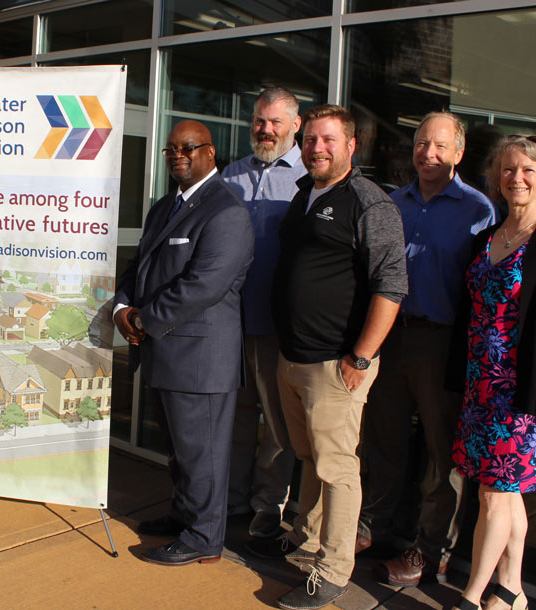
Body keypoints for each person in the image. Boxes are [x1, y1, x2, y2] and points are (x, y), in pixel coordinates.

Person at [249, 104, 407, 610]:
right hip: (293, 357)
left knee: (338, 468)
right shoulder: (304, 193)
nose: (316, 148)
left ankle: (334, 570)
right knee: (308, 456)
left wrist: (360, 358)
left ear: (351, 145)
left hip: (336, 363)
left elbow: (391, 286)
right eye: (311, 139)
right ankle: (309, 538)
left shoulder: (369, 202)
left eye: (327, 140)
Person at [360, 112, 498, 586]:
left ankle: (429, 551)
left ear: (459, 153)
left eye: (440, 146)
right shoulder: (393, 204)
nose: (429, 154)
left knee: (444, 455)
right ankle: (374, 528)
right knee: (383, 440)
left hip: (443, 344)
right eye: (421, 144)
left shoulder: (479, 211)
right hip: (391, 337)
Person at [115, 120, 254, 566]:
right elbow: (138, 266)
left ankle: (203, 539)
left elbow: (203, 285)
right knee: (178, 450)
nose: (177, 155)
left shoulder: (226, 211)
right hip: (164, 351)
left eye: (188, 148)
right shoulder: (164, 207)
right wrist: (122, 308)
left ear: (210, 154)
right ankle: (183, 515)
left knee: (203, 453)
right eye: (170, 149)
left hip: (200, 357)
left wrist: (143, 318)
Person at [448, 135, 536, 610]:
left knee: (493, 496)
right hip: (480, 387)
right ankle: (511, 591)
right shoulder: (487, 238)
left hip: (522, 394)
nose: (516, 178)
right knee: (506, 494)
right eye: (507, 169)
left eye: (527, 171)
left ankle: (473, 594)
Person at [222, 86, 306, 538]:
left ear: (296, 124)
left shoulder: (309, 179)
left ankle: (267, 505)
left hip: (278, 324)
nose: (265, 129)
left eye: (275, 122)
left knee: (277, 423)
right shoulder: (230, 176)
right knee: (235, 414)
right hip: (232, 321)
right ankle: (232, 499)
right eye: (259, 120)